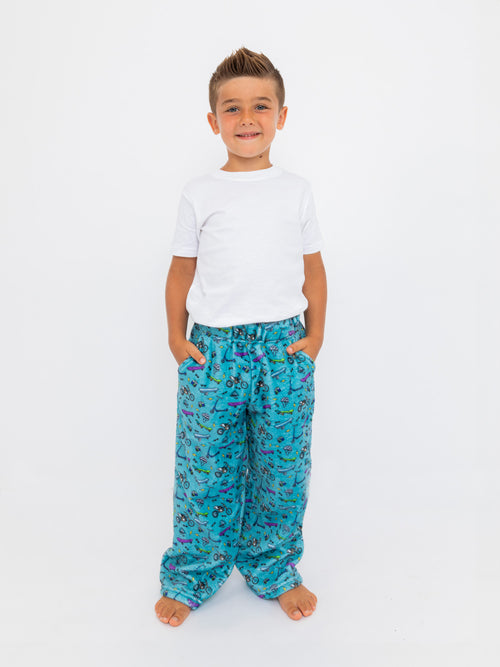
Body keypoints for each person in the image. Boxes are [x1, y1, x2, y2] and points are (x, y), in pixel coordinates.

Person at [155, 46, 327, 627]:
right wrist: (177, 337)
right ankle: (193, 571)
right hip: (215, 351)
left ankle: (273, 566)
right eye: (232, 108)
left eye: (260, 106)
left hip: (283, 349)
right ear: (214, 121)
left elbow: (314, 270)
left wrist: (315, 336)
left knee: (282, 469)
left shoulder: (296, 190)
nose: (247, 118)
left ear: (281, 116)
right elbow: (181, 270)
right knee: (204, 469)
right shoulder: (200, 192)